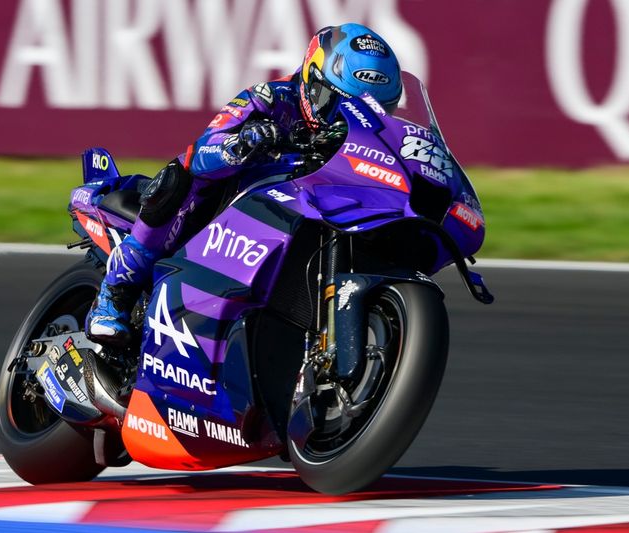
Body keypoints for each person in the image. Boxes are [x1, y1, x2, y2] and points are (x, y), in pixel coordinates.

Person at [85, 23, 404, 346]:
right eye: (337, 104)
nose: (349, 119)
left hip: (293, 222)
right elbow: (203, 150)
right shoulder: (270, 99)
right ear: (312, 79)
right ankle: (116, 293)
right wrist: (243, 143)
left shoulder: (362, 144)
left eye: (377, 111)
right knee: (180, 173)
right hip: (221, 216)